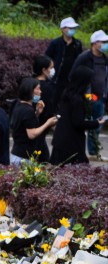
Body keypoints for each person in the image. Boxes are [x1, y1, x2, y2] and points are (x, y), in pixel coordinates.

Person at [51, 66, 107, 165]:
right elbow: (78, 122)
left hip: (61, 140)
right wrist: (96, 123)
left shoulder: (67, 94)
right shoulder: (77, 100)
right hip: (71, 144)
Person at [72, 31, 108, 159]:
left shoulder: (104, 58)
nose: (105, 44)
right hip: (87, 97)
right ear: (95, 43)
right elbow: (74, 75)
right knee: (82, 124)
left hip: (100, 98)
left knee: (97, 124)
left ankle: (93, 152)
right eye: (103, 42)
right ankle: (79, 151)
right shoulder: (84, 57)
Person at [10, 78, 56, 164]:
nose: (40, 91)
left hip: (17, 154)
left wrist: (37, 113)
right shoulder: (28, 110)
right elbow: (32, 134)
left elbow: (26, 124)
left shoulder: (19, 105)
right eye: (38, 88)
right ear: (30, 90)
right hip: (23, 157)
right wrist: (48, 123)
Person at [46, 17, 83, 98]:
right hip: (57, 78)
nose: (72, 30)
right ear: (63, 29)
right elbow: (47, 57)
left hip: (71, 78)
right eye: (70, 28)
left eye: (74, 28)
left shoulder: (77, 44)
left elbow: (80, 60)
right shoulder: (55, 43)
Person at [33, 55, 58, 122]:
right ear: (44, 70)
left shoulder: (29, 81)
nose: (53, 70)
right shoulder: (46, 88)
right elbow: (48, 109)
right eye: (51, 67)